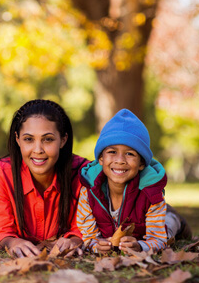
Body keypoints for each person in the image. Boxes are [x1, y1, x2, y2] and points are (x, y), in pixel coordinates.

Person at [77, 109, 192, 254]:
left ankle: (176, 219)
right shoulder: (89, 190)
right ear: (101, 158)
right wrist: (95, 245)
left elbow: (158, 239)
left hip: (150, 225)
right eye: (112, 152)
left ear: (141, 164)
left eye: (130, 154)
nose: (120, 160)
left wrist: (141, 246)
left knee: (167, 227)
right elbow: (89, 236)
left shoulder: (151, 193)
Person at [0, 100, 88, 258]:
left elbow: (83, 228)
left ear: (63, 140)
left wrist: (74, 240)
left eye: (48, 139)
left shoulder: (82, 173)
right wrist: (12, 243)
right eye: (29, 139)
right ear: (17, 139)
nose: (38, 150)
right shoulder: (1, 173)